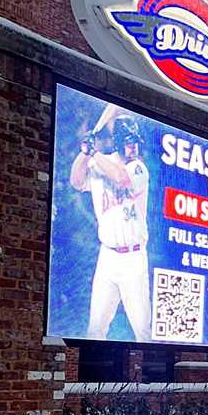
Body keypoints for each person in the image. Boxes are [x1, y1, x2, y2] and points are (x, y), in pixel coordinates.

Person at [69, 104, 151, 341]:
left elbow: (121, 178)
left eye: (135, 142)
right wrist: (85, 152)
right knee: (95, 328)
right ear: (118, 141)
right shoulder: (98, 163)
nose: (133, 146)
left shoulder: (138, 168)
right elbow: (76, 181)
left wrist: (93, 153)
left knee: (143, 331)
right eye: (128, 141)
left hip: (133, 259)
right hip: (107, 258)